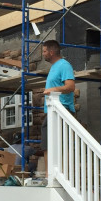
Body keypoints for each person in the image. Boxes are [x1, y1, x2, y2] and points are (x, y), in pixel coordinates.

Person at [41, 40, 76, 170]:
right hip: (51, 111)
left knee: (62, 144)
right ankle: (48, 175)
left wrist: (52, 90)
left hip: (62, 109)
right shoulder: (54, 67)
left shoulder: (64, 65)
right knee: (47, 144)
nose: (43, 54)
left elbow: (70, 86)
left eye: (44, 51)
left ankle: (63, 174)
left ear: (51, 52)